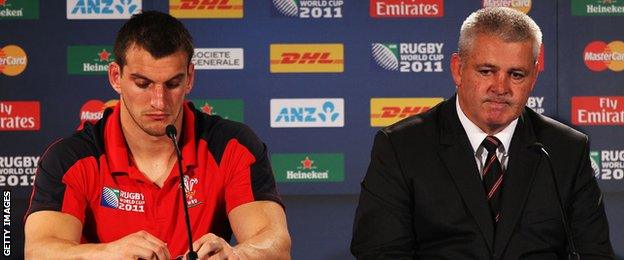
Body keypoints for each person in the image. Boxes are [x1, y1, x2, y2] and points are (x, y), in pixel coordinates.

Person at [351, 7, 614, 259]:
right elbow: (380, 252)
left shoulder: (564, 150)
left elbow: (593, 253)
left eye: (517, 74)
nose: (500, 88)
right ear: (458, 69)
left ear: (533, 78)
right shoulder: (402, 147)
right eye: (486, 71)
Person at [24, 11, 291, 259]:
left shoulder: (232, 146)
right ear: (116, 77)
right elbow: (38, 250)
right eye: (143, 84)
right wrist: (107, 253)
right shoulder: (71, 158)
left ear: (189, 77)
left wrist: (234, 255)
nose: (159, 102)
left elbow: (275, 243)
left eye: (173, 84)